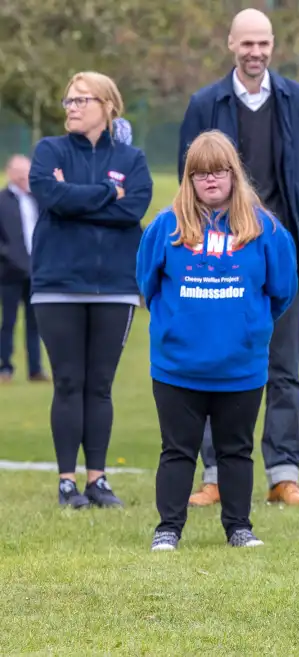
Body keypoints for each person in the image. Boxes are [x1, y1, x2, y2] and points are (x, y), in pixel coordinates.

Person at [178, 7, 299, 507]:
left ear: (273, 45)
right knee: (220, 364)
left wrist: (272, 229)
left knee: (283, 369)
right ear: (230, 45)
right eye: (247, 44)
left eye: (263, 43)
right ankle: (216, 475)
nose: (255, 52)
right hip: (219, 259)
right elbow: (189, 175)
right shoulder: (204, 103)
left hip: (280, 258)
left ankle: (283, 476)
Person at [137, 130, 298, 551]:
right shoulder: (165, 227)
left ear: (234, 174)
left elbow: (281, 291)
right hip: (178, 366)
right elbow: (147, 285)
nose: (210, 181)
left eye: (219, 172)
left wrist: (249, 326)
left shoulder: (265, 228)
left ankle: (238, 528)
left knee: (236, 451)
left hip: (240, 367)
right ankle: (168, 529)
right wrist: (178, 325)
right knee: (176, 451)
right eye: (200, 173)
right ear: (188, 178)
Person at [28, 71, 153, 509]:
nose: (72, 107)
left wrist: (76, 198)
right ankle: (67, 483)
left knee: (99, 385)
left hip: (114, 288)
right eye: (69, 101)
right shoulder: (49, 151)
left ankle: (97, 480)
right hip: (57, 286)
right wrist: (106, 192)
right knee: (67, 382)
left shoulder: (132, 158)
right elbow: (51, 198)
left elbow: (133, 209)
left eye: (82, 100)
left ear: (108, 106)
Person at [0, 155, 48, 383]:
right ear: (9, 172)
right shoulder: (2, 201)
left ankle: (35, 369)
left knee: (35, 323)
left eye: (26, 172)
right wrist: (11, 257)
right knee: (8, 322)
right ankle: (5, 367)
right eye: (18, 172)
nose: (22, 177)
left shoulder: (37, 199)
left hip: (35, 272)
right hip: (9, 273)